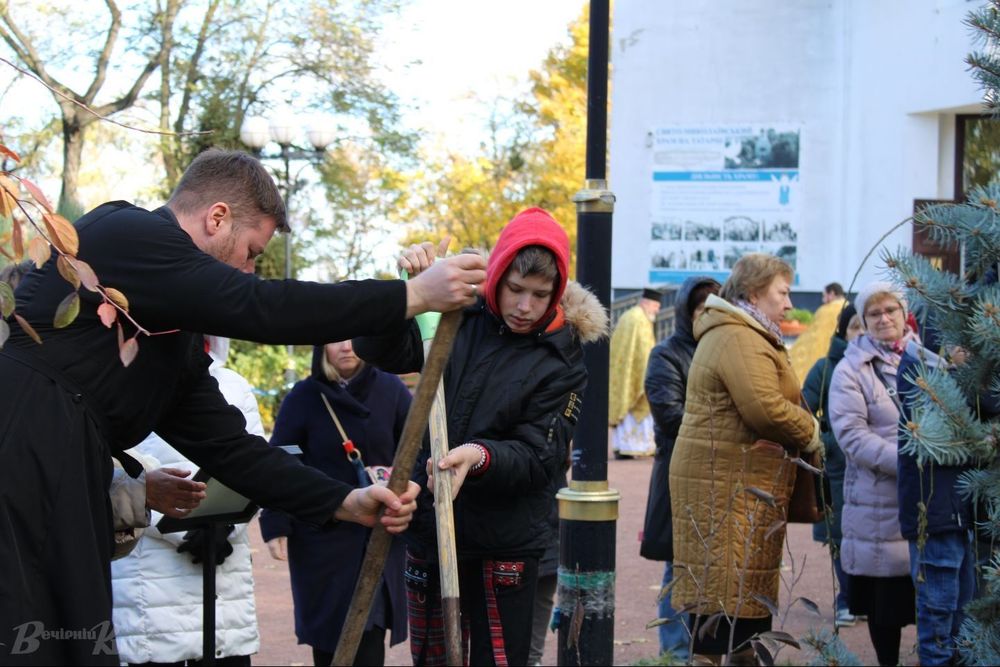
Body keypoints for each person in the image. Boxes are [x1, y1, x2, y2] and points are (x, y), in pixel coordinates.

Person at [0, 148, 483, 665]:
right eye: (251, 252)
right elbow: (260, 307)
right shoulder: (128, 233)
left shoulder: (170, 343)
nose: (250, 271)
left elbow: (235, 451)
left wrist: (343, 502)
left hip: (69, 470)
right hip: (23, 448)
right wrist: (408, 296)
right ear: (217, 218)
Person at [355, 207, 607, 667]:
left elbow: (540, 455)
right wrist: (408, 293)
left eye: (538, 294)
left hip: (506, 540)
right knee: (431, 659)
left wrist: (478, 455)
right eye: (514, 289)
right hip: (432, 529)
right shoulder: (457, 313)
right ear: (496, 276)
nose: (524, 306)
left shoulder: (563, 358)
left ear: (556, 293)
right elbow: (376, 350)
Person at [669, 253, 822, 664]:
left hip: (734, 486)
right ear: (755, 292)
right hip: (727, 489)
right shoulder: (740, 336)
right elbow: (765, 408)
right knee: (724, 614)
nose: (789, 303)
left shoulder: (746, 332)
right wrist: (811, 431)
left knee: (734, 612)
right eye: (783, 292)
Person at [111, 336, 263, 665]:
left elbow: (256, 465)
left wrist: (223, 526)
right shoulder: (118, 384)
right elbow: (121, 473)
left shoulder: (233, 384)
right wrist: (184, 528)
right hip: (148, 564)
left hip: (222, 563)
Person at [260, 340, 412, 667]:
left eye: (356, 336)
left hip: (378, 534)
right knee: (329, 639)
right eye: (336, 338)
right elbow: (280, 465)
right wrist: (275, 523)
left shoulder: (391, 389)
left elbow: (416, 451)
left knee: (369, 634)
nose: (346, 346)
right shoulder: (303, 396)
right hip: (322, 540)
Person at [896, 325, 1000, 666]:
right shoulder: (920, 371)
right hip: (935, 513)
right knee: (938, 613)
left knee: (961, 609)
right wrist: (982, 442)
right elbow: (936, 436)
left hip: (959, 512)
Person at [829, 281, 917, 667]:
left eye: (890, 311)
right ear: (863, 322)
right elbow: (851, 435)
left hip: (926, 500)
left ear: (904, 313)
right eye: (874, 314)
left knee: (931, 597)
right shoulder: (851, 370)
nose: (884, 319)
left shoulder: (927, 358)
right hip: (879, 503)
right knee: (887, 604)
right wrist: (909, 461)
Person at [639, 275, 720, 660]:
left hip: (723, 477)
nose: (709, 315)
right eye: (702, 308)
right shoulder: (667, 354)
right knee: (680, 566)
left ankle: (708, 650)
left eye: (717, 308)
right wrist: (724, 426)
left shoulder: (726, 351)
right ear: (688, 311)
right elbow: (671, 416)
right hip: (681, 475)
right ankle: (674, 652)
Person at [802, 306, 861, 627]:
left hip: (877, 467)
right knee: (840, 535)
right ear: (842, 331)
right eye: (855, 326)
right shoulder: (825, 369)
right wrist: (828, 441)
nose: (862, 333)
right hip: (838, 466)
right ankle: (846, 599)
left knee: (872, 533)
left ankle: (862, 598)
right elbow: (803, 409)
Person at [609, 288, 661, 458]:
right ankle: (633, 447)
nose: (657, 311)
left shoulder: (632, 316)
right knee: (634, 408)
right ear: (647, 303)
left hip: (625, 372)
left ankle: (622, 446)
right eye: (656, 306)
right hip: (635, 373)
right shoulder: (638, 320)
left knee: (628, 409)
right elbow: (643, 352)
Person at [789, 281, 848, 385]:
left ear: (832, 293)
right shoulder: (848, 307)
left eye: (824, 295)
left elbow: (812, 336)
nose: (823, 299)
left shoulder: (826, 310)